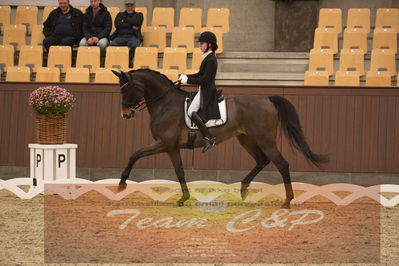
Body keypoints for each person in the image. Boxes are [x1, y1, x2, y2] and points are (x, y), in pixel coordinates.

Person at [179, 31, 221, 152]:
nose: (200, 45)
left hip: (207, 91)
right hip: (203, 89)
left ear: (209, 44)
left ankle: (208, 138)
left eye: (202, 43)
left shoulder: (211, 60)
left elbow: (205, 79)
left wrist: (188, 80)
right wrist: (185, 76)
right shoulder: (207, 58)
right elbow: (198, 74)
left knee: (191, 111)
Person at [110, 0, 143, 66]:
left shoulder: (139, 15)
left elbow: (137, 23)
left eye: (131, 6)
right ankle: (118, 61)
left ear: (134, 6)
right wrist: (132, 25)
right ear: (125, 6)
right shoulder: (120, 14)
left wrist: (124, 20)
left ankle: (127, 60)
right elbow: (117, 24)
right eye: (128, 6)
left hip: (133, 36)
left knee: (135, 46)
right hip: (120, 36)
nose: (130, 7)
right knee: (112, 45)